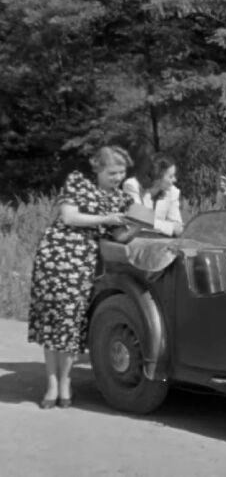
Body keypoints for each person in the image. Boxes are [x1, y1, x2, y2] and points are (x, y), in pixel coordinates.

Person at [27, 146, 134, 409]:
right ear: (97, 168)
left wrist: (142, 227)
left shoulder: (120, 199)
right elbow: (69, 216)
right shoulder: (77, 182)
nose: (117, 177)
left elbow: (120, 235)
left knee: (70, 323)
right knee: (53, 321)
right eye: (112, 172)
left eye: (121, 172)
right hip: (55, 254)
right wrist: (106, 218)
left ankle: (66, 381)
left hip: (83, 261)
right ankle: (52, 384)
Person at [122, 154, 183, 237]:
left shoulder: (173, 191)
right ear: (157, 176)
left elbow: (178, 228)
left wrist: (149, 222)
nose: (175, 180)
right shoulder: (132, 186)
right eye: (171, 176)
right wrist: (169, 227)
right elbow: (136, 221)